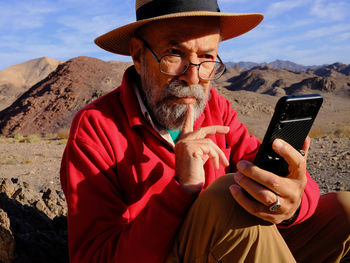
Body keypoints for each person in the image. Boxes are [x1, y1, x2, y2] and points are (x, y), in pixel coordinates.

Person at [60, 0, 350, 262]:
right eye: (174, 53)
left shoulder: (216, 108)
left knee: (344, 209)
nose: (193, 76)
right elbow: (92, 257)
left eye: (208, 57)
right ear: (138, 55)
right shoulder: (97, 127)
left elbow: (273, 177)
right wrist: (182, 189)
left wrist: (292, 202)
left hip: (221, 251)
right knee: (226, 197)